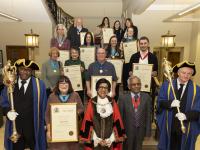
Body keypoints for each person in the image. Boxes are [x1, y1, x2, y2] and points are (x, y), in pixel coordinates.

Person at [0, 59, 47, 150]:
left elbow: (43, 105)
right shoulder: (10, 83)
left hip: (33, 126)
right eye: (22, 69)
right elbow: (4, 100)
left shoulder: (39, 84)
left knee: (35, 147)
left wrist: (44, 123)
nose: (25, 72)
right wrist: (7, 112)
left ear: (32, 71)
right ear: (17, 69)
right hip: (15, 126)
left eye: (28, 70)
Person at [157, 61, 200, 150]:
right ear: (178, 72)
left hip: (186, 127)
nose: (186, 75)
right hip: (169, 125)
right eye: (183, 73)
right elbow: (160, 102)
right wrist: (170, 103)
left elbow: (198, 109)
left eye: (189, 73)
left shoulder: (197, 90)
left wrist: (186, 116)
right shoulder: (167, 86)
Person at [80, 78, 126, 150]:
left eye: (106, 88)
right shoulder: (91, 103)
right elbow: (87, 122)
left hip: (109, 142)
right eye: (101, 87)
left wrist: (110, 139)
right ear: (97, 89)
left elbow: (117, 121)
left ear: (108, 90)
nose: (103, 90)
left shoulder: (113, 103)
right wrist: (96, 139)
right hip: (95, 141)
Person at [46, 75, 84, 150]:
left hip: (71, 129)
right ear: (58, 85)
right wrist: (49, 130)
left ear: (69, 85)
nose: (64, 85)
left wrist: (74, 113)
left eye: (66, 83)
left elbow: (81, 108)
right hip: (57, 131)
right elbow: (47, 115)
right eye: (61, 83)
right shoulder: (52, 96)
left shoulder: (75, 95)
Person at [118, 76, 151, 150]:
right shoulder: (123, 98)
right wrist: (121, 132)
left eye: (138, 84)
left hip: (141, 130)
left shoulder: (147, 97)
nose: (136, 86)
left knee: (138, 147)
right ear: (129, 86)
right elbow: (120, 117)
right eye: (134, 84)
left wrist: (148, 132)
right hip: (127, 130)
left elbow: (148, 115)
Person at [129, 36, 158, 115]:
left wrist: (153, 73)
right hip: (135, 86)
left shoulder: (153, 57)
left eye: (145, 43)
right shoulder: (134, 56)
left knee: (147, 105)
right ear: (139, 45)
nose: (143, 45)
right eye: (141, 43)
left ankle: (148, 121)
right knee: (135, 104)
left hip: (148, 86)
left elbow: (156, 72)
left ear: (148, 44)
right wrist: (131, 73)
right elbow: (129, 71)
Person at [121, 27, 138, 91]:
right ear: (127, 32)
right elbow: (121, 50)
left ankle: (134, 89)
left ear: (133, 32)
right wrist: (122, 49)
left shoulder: (136, 40)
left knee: (133, 76)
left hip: (134, 61)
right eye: (129, 31)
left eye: (131, 31)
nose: (130, 32)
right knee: (125, 76)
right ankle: (126, 90)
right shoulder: (123, 40)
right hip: (126, 61)